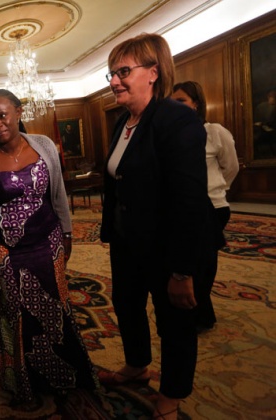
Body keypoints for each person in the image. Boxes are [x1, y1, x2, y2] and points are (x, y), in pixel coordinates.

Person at [0, 89, 99, 405]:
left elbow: (57, 195)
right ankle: (25, 381)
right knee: (17, 315)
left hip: (49, 244)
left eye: (2, 115)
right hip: (9, 253)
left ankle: (68, 371)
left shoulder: (44, 145)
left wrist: (67, 233)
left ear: (18, 112)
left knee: (57, 307)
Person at [98, 34, 210, 419]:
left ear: (153, 73)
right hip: (127, 244)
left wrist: (181, 270)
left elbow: (189, 199)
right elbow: (118, 181)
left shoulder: (176, 119)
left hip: (167, 248)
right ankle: (137, 365)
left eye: (124, 71)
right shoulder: (124, 123)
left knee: (174, 320)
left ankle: (174, 392)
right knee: (127, 306)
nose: (114, 81)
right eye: (112, 73)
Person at [171, 81, 239, 332]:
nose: (175, 107)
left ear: (196, 104)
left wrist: (217, 189)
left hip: (213, 206)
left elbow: (231, 167)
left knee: (202, 262)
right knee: (193, 262)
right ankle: (201, 313)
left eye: (181, 101)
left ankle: (201, 315)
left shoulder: (214, 131)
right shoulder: (173, 135)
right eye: (172, 102)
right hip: (187, 208)